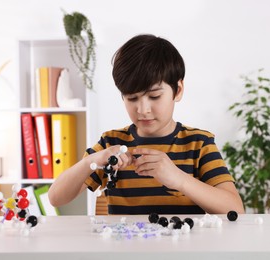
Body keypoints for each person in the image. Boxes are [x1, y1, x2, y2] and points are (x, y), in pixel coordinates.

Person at [48, 34, 245, 215]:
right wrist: (90, 162)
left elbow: (235, 209)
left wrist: (179, 179)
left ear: (178, 90)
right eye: (132, 98)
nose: (143, 109)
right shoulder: (111, 143)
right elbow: (56, 198)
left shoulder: (199, 143)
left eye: (154, 96)